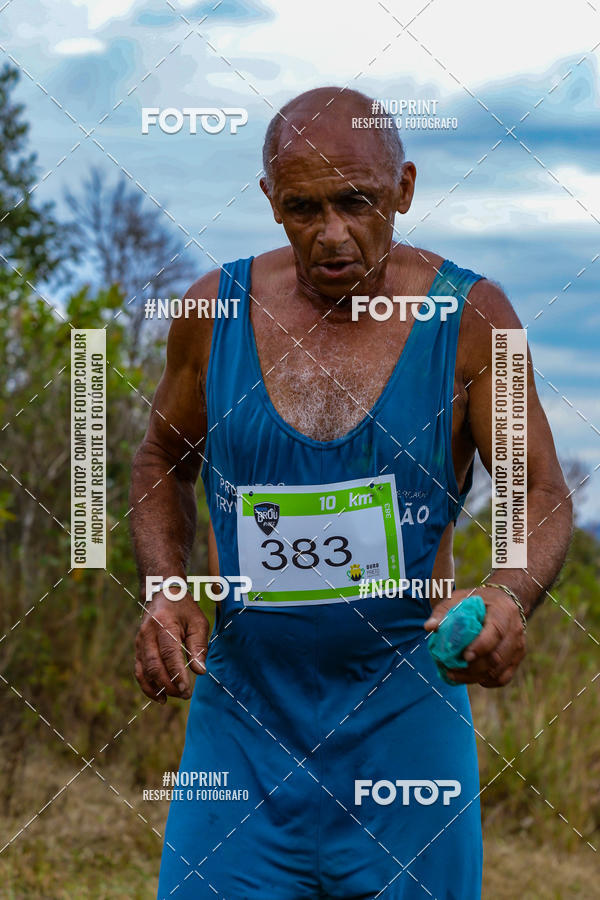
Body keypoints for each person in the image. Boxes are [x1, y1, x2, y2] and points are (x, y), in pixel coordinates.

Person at [130, 87, 572, 899]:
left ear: (403, 188)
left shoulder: (471, 318)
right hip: (242, 728)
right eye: (304, 208)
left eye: (357, 202)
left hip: (406, 732)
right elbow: (161, 455)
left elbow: (539, 487)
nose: (331, 234)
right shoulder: (214, 311)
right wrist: (166, 587)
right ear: (270, 200)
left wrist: (508, 593)